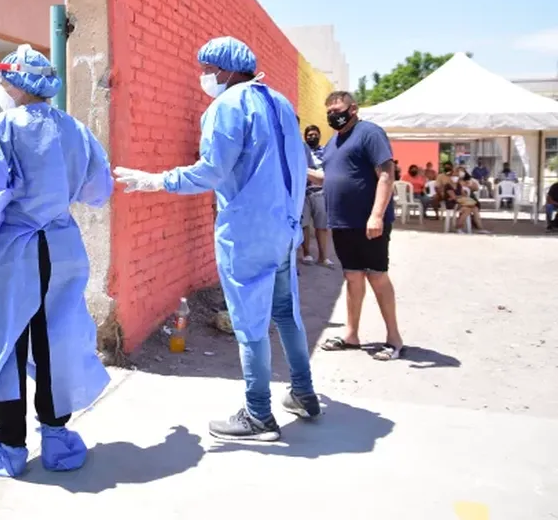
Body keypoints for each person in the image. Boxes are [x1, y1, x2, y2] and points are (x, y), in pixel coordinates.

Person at [114, 36, 319, 442]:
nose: (204, 77)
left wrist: (157, 181)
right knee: (285, 312)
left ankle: (258, 415)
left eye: (207, 69)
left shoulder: (226, 107)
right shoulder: (279, 103)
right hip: (284, 227)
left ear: (224, 70)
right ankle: (304, 393)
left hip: (246, 231)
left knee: (249, 324)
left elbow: (211, 171)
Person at [0, 45, 113, 478]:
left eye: (6, 80)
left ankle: (9, 444)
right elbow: (98, 188)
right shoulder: (75, 130)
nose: (2, 88)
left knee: (8, 345)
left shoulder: (5, 129)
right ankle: (57, 436)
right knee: (55, 341)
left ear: (20, 83)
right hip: (61, 251)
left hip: (12, 253)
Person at [318, 91, 405, 362]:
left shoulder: (369, 133)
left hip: (369, 223)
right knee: (353, 277)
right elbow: (329, 177)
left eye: (338, 109)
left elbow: (386, 174)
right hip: (342, 223)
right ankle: (351, 335)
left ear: (353, 109)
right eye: (329, 111)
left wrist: (376, 215)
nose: (333, 115)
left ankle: (394, 339)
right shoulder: (333, 142)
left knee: (376, 275)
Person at [301, 125, 332, 268]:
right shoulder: (300, 149)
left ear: (319, 135)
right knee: (304, 225)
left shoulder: (326, 151)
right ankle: (306, 254)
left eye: (315, 134)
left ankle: (323, 257)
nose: (312, 137)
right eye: (309, 135)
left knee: (322, 226)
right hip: (303, 192)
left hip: (320, 192)